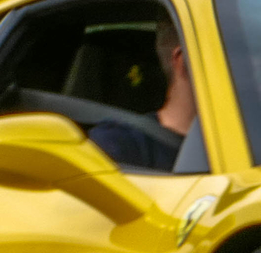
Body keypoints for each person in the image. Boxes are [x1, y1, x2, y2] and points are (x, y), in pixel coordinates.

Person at [84, 19, 199, 171]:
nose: (239, 70)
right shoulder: (116, 148)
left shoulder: (234, 141)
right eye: (231, 56)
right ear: (184, 62)